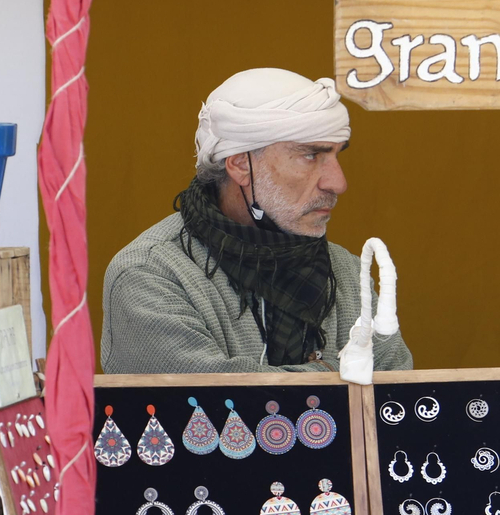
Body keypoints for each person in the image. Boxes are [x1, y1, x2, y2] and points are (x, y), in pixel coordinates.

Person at [102, 67, 412, 374]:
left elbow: (396, 393)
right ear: (240, 164)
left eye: (335, 155)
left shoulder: (345, 273)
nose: (337, 183)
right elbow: (208, 399)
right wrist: (331, 373)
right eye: (310, 155)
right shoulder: (150, 274)